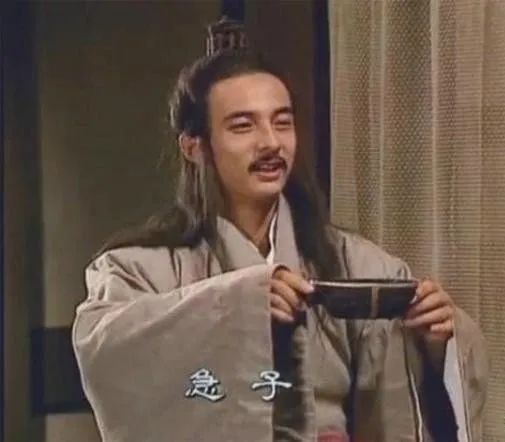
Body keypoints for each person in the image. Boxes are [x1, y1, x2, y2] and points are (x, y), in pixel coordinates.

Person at [72, 49, 488, 442]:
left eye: (282, 123)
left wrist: (436, 344)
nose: (270, 143)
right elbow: (106, 350)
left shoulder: (354, 263)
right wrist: (237, 303)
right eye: (243, 126)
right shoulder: (140, 269)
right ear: (194, 146)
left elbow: (403, 404)